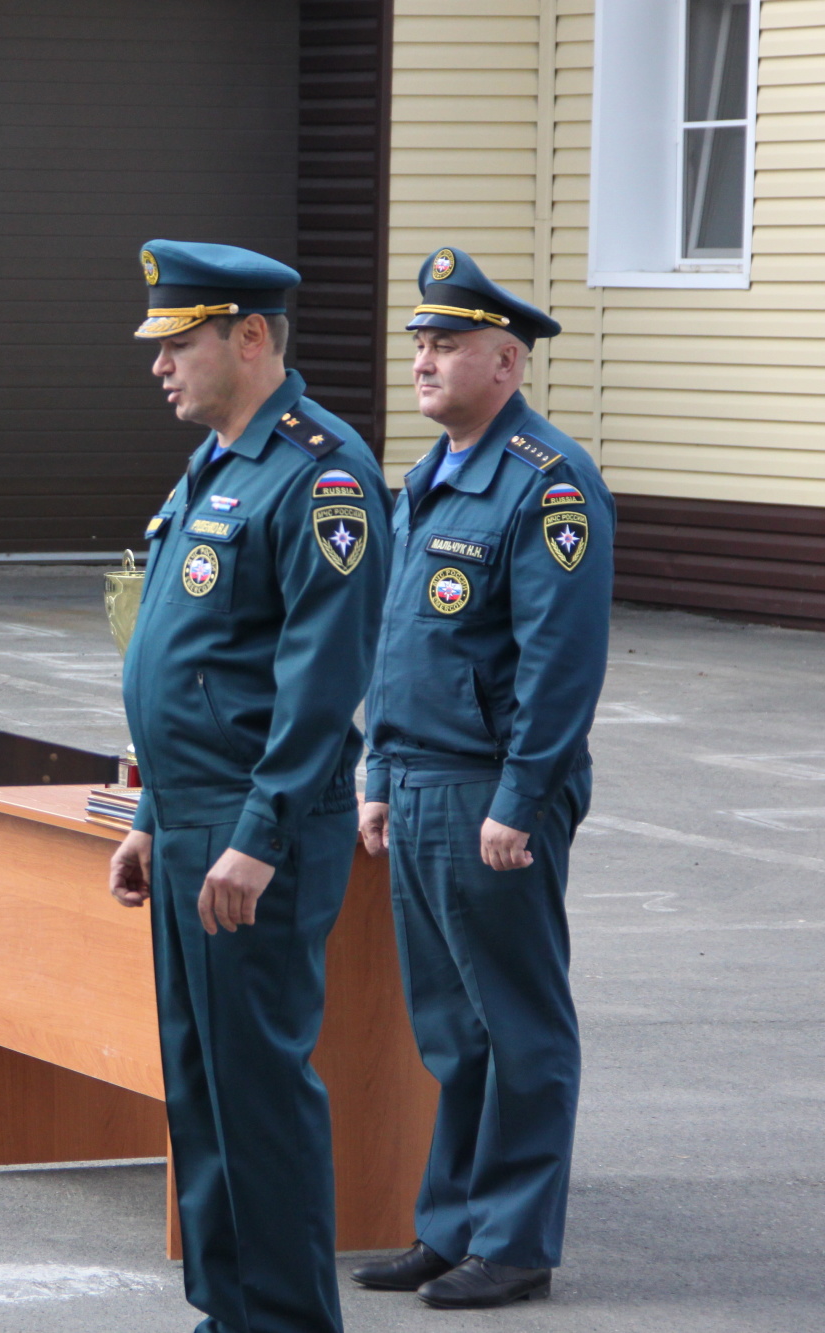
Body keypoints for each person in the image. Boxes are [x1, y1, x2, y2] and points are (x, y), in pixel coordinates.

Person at [108, 239, 392, 1333]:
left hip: (253, 833)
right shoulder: (221, 462)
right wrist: (149, 813)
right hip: (192, 821)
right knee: (202, 1087)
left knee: (258, 1093)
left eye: (178, 342)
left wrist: (257, 835)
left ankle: (280, 1321)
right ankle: (226, 1312)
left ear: (252, 337)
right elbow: (194, 664)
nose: (159, 364)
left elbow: (318, 688)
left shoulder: (320, 474)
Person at [349, 246, 613, 1309]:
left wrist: (519, 798)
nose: (421, 358)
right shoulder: (430, 477)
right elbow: (396, 644)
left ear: (504, 362)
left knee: (516, 1025)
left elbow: (560, 662)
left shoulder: (546, 483)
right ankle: (448, 1226)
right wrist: (373, 769)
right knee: (448, 1030)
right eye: (417, 340)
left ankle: (513, 1243)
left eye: (446, 343)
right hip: (413, 780)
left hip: (486, 792)